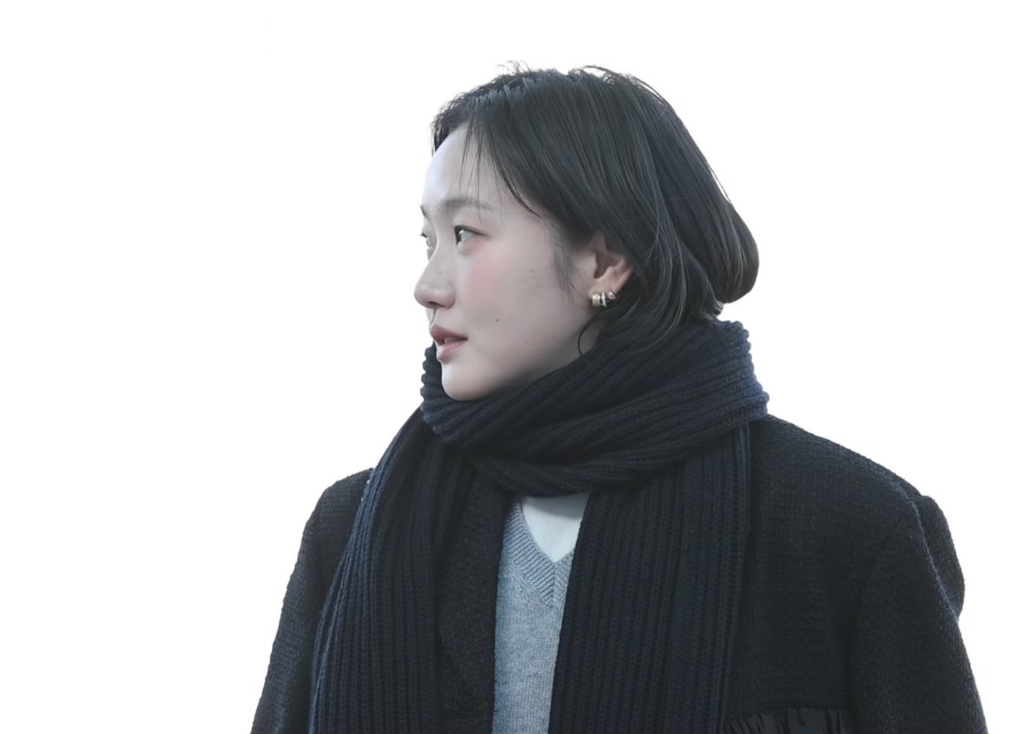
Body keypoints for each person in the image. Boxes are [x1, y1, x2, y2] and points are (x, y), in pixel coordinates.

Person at [251, 66, 987, 734]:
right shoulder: (352, 534)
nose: (427, 286)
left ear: (605, 262)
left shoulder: (849, 533)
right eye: (428, 240)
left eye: (466, 234)